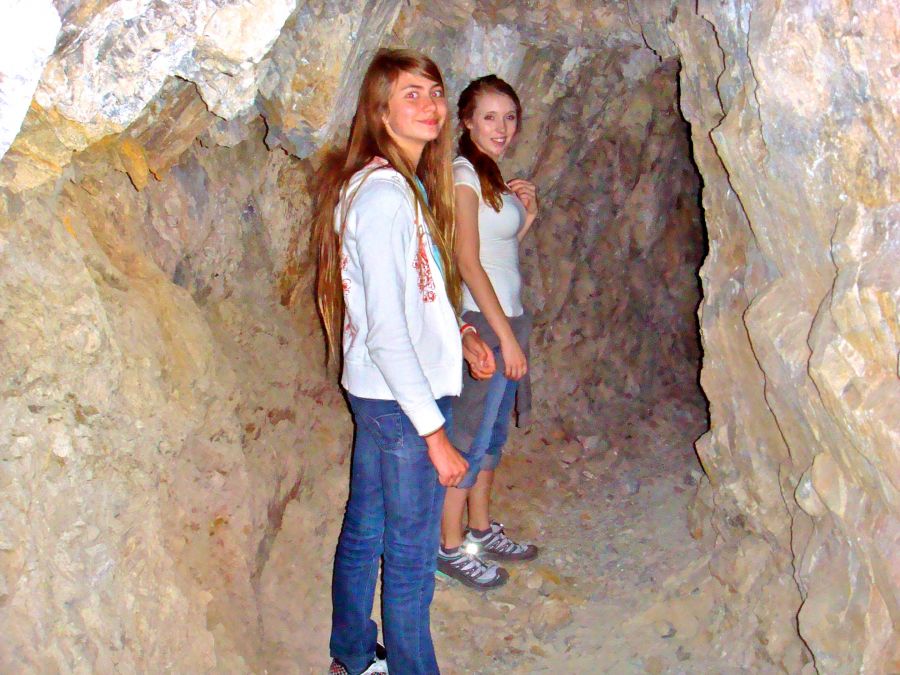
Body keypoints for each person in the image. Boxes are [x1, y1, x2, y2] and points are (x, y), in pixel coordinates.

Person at [311, 49, 496, 674]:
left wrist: (461, 330)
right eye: (411, 94)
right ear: (380, 108)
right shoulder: (386, 194)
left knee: (366, 530)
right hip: (402, 401)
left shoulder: (391, 184)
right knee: (412, 556)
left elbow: (415, 294)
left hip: (382, 392)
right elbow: (390, 332)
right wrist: (436, 435)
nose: (431, 106)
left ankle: (353, 658)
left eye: (435, 92)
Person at [436, 75, 540, 590]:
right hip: (484, 321)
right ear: (467, 122)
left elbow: (500, 253)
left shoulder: (489, 176)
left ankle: (479, 530)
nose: (502, 127)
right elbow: (468, 264)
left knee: (492, 435)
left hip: (507, 316)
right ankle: (448, 544)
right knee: (469, 436)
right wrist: (506, 337)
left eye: (510, 116)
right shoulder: (462, 175)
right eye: (490, 116)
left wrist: (527, 219)